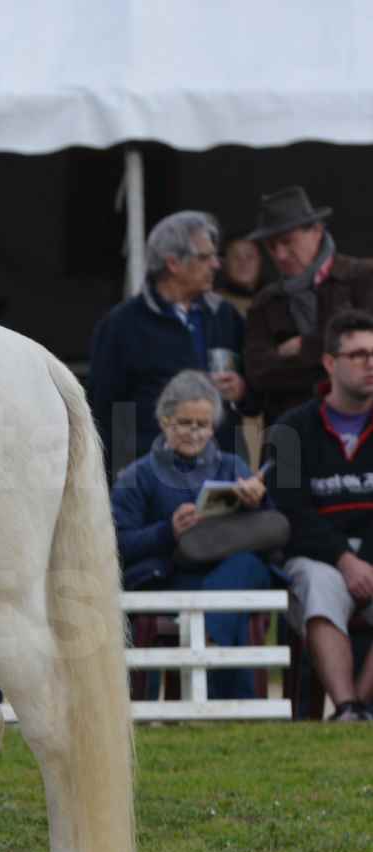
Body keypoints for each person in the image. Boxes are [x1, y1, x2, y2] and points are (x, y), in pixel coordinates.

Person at [111, 370, 272, 700]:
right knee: (231, 601)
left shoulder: (232, 465)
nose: (195, 433)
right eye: (185, 423)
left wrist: (258, 499)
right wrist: (167, 531)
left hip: (227, 571)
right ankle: (238, 705)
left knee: (246, 566)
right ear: (164, 421)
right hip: (171, 575)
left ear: (214, 426)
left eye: (204, 425)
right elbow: (117, 545)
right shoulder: (137, 474)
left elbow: (265, 529)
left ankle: (207, 635)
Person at [264, 308, 373, 722]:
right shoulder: (292, 429)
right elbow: (291, 512)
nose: (370, 364)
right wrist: (346, 560)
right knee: (318, 584)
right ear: (330, 363)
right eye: (359, 355)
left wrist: (367, 564)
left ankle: (357, 708)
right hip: (318, 559)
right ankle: (346, 706)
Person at [88, 210, 249, 477]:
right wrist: (126, 481)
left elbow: (253, 388)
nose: (217, 265)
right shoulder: (122, 325)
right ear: (173, 263)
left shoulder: (225, 316)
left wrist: (243, 390)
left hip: (222, 476)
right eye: (205, 257)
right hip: (154, 481)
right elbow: (105, 412)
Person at [244, 187, 373, 425]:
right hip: (290, 436)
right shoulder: (265, 302)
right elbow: (258, 374)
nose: (280, 254)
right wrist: (336, 357)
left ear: (317, 231)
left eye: (287, 241)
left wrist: (303, 346)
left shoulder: (363, 278)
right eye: (271, 247)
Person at [216, 238, 264, 317]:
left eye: (249, 256)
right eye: (236, 257)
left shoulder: (278, 301)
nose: (243, 263)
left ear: (260, 260)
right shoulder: (212, 304)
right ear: (225, 263)